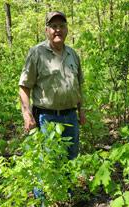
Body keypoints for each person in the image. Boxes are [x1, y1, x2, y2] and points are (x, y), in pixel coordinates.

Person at [18, 11, 85, 160]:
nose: (58, 30)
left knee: (71, 160)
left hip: (71, 117)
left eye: (62, 26)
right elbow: (24, 86)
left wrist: (81, 111)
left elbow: (78, 86)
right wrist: (26, 115)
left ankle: (68, 184)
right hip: (46, 118)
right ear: (46, 30)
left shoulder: (73, 54)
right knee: (48, 163)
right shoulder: (37, 53)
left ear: (67, 30)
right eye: (53, 26)